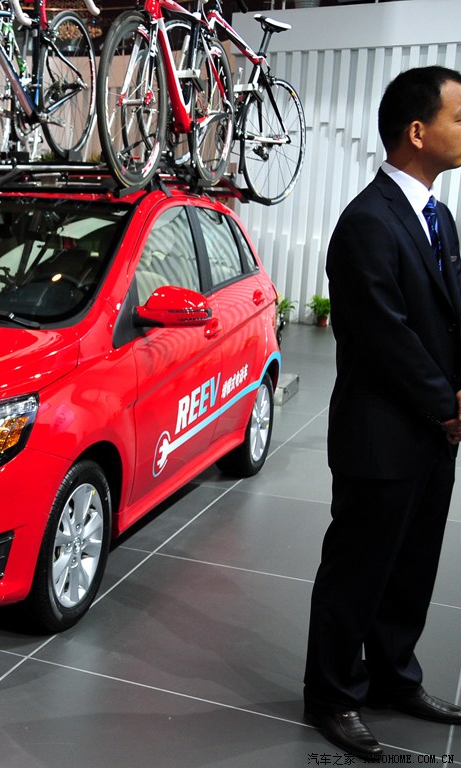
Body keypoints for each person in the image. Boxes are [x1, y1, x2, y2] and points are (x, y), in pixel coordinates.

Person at [303, 65, 461, 760]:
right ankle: (332, 694)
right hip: (383, 431)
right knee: (359, 569)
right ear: (418, 131)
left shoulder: (438, 216)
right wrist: (447, 405)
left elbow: (449, 317)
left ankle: (394, 676)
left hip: (433, 430)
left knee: (413, 564)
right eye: (459, 118)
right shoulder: (367, 221)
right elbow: (380, 336)